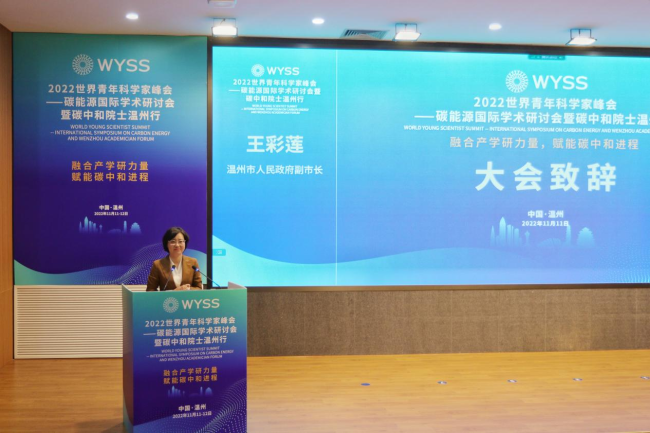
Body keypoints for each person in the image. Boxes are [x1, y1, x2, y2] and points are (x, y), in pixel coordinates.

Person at [146, 227, 203, 291]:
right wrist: (174, 291)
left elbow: (199, 288)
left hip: (188, 298)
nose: (177, 245)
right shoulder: (158, 264)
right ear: (167, 244)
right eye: (173, 241)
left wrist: (187, 289)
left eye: (180, 241)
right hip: (167, 298)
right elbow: (150, 290)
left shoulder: (193, 262)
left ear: (185, 243)